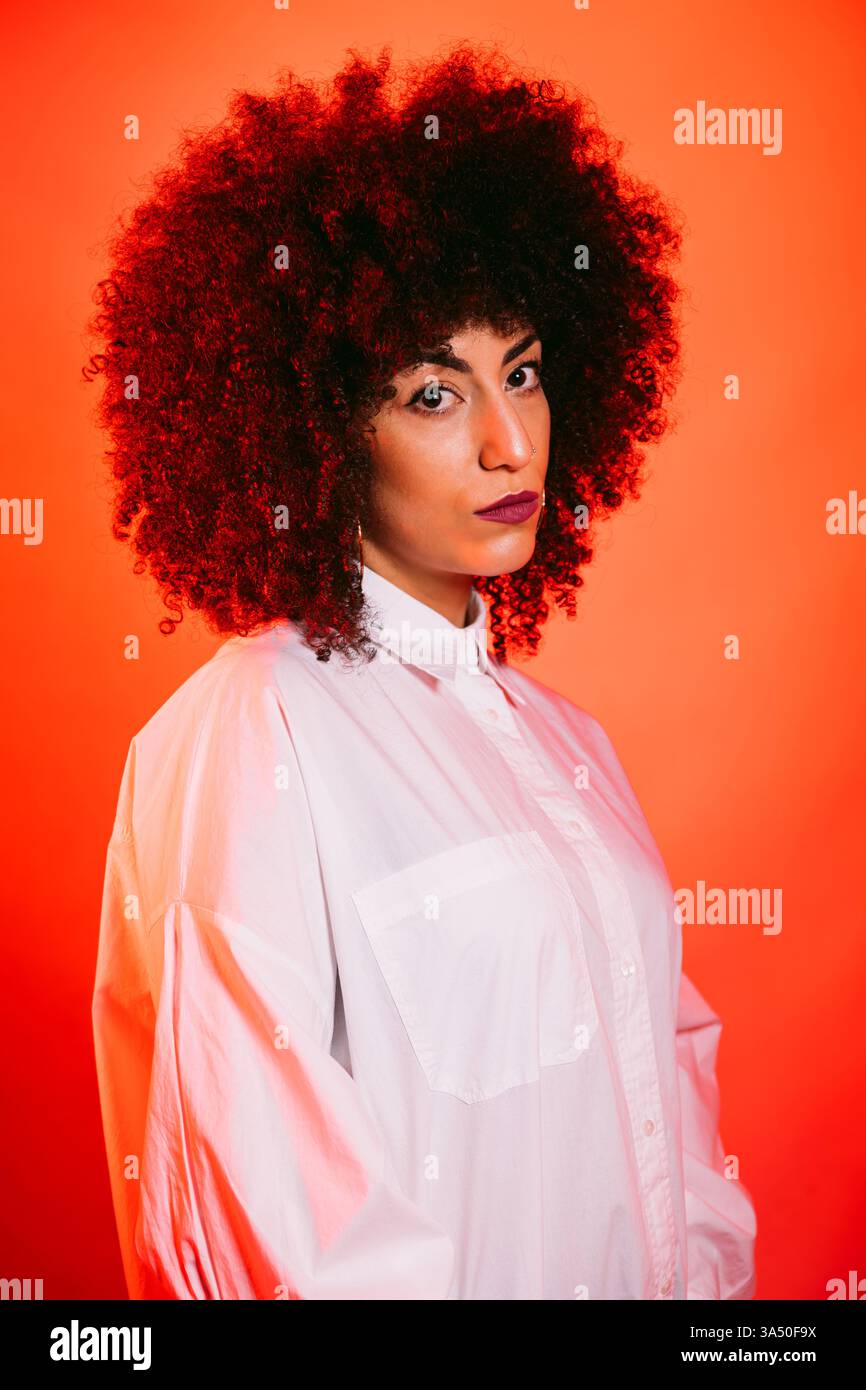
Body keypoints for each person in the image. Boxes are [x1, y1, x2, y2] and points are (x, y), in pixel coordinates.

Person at [86, 41, 757, 1300]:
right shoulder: (253, 727)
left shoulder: (573, 748)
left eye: (522, 373)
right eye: (433, 394)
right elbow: (251, 1203)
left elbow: (672, 1130)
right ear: (320, 427)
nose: (509, 440)